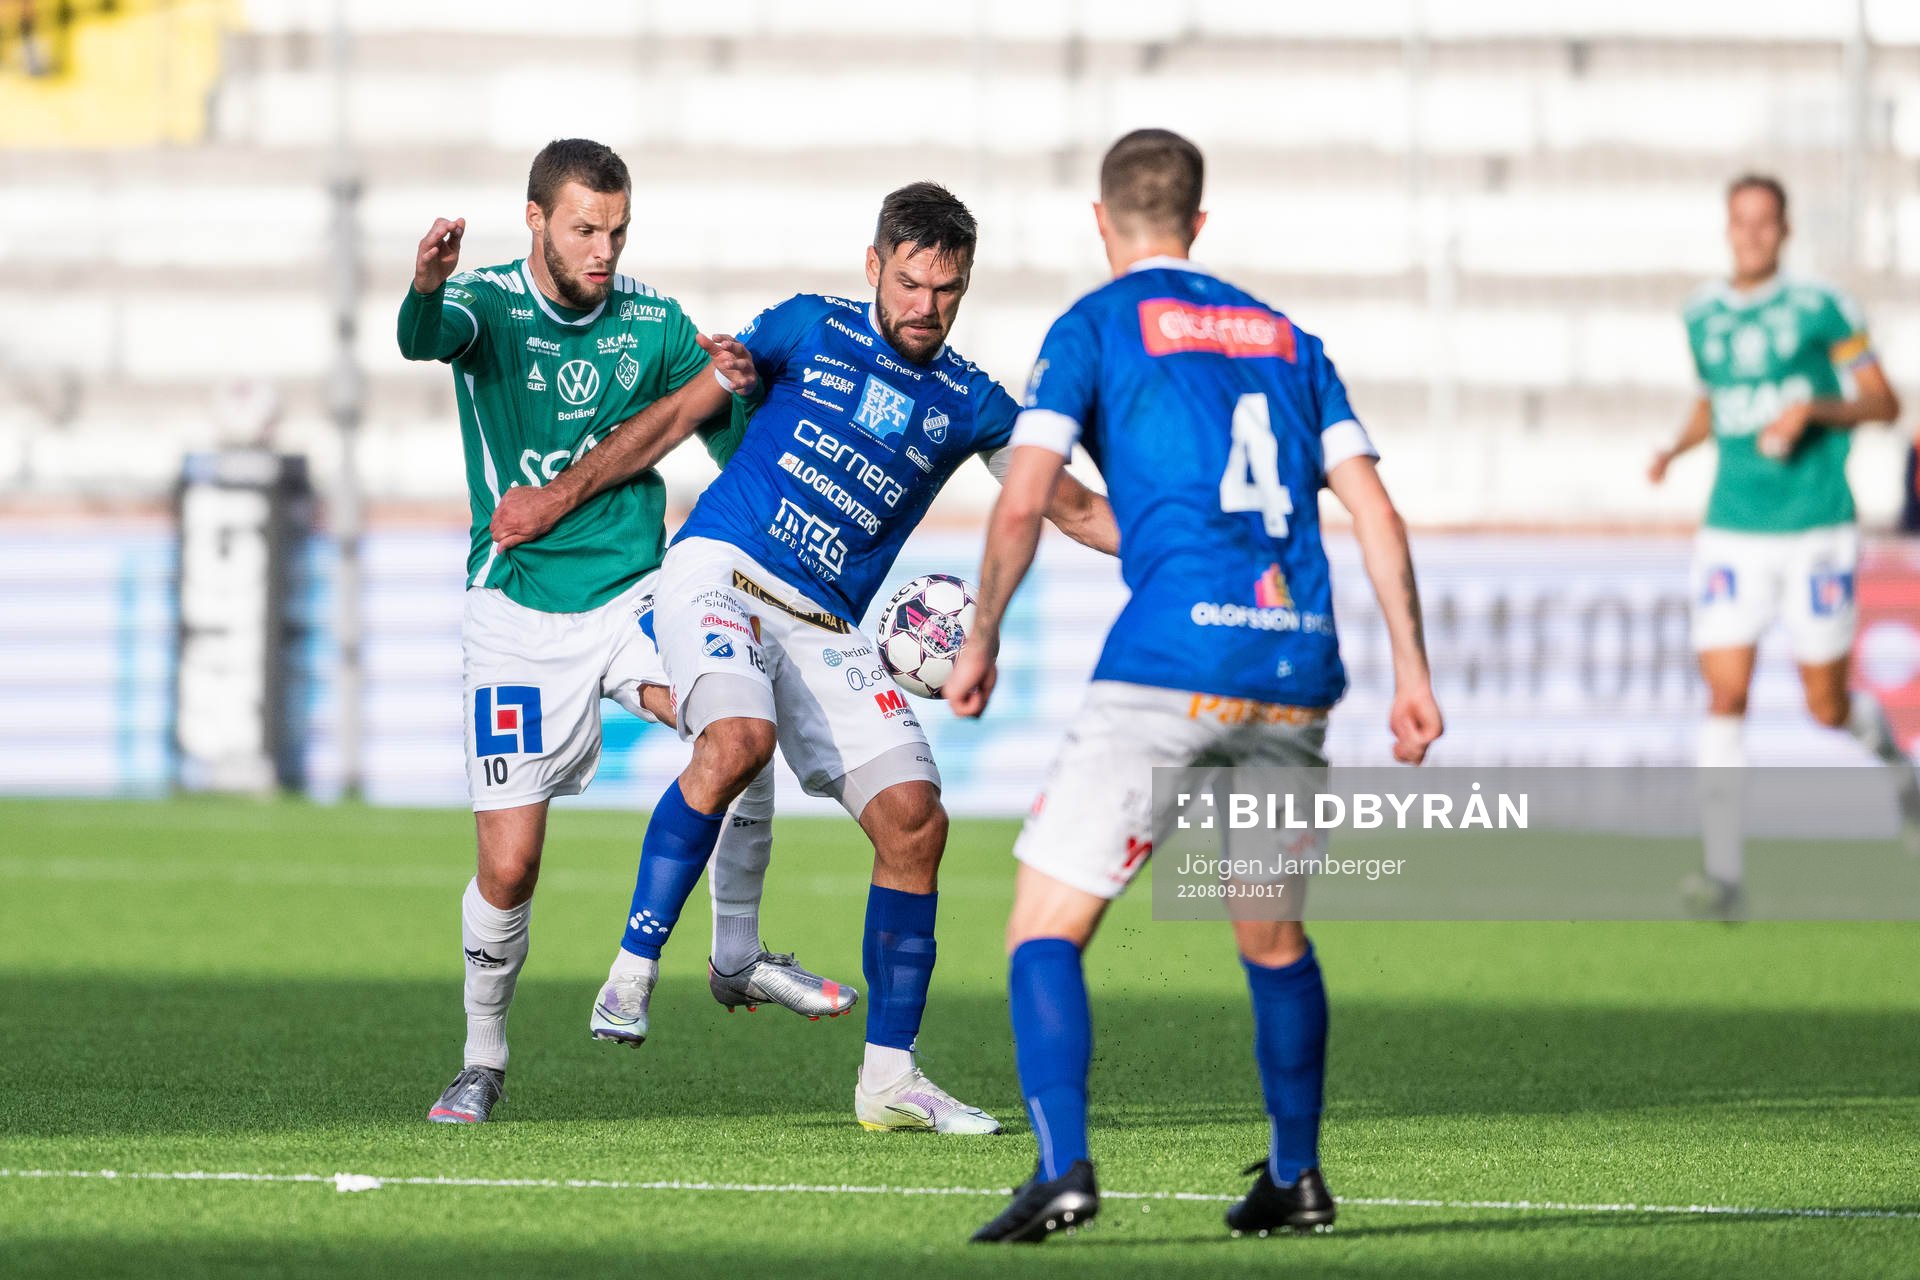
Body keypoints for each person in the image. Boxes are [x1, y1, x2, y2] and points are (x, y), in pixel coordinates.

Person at [490, 180, 1120, 1132]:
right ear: (874, 266)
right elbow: (675, 417)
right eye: (909, 283)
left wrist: (1186, 550)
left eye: (946, 290)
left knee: (916, 822)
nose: (925, 306)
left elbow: (1068, 507)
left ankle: (889, 1081)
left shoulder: (972, 401)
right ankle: (631, 970)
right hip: (722, 568)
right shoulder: (803, 326)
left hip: (825, 623)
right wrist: (559, 496)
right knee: (738, 740)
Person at [945, 128, 1443, 1243]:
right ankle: (1297, 1178)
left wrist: (980, 638)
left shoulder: (1093, 326)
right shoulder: (1289, 339)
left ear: (1102, 221)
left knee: (1042, 928)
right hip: (1294, 664)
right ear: (1199, 222)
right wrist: (1412, 673)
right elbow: (1375, 511)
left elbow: (1025, 497)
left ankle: (1063, 1169)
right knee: (1272, 936)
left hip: (1171, 664)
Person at [398, 138, 854, 1126]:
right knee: (509, 866)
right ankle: (482, 1057)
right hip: (517, 611)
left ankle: (735, 949)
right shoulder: (490, 303)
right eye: (583, 230)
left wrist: (757, 398)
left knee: (737, 721)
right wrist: (425, 285)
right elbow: (426, 335)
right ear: (536, 221)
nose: (603, 250)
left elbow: (732, 436)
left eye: (616, 230)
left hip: (639, 595)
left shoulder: (654, 323)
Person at [1649, 173, 1915, 917]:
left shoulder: (1823, 306)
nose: (1752, 234)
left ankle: (1900, 770)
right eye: (1741, 221)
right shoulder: (1702, 314)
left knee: (1824, 706)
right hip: (1732, 528)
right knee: (1726, 692)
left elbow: (1884, 401)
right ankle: (1723, 875)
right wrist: (1674, 448)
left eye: (1765, 221)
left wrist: (1814, 410)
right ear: (1727, 228)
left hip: (1814, 527)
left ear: (1786, 229)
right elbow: (1714, 401)